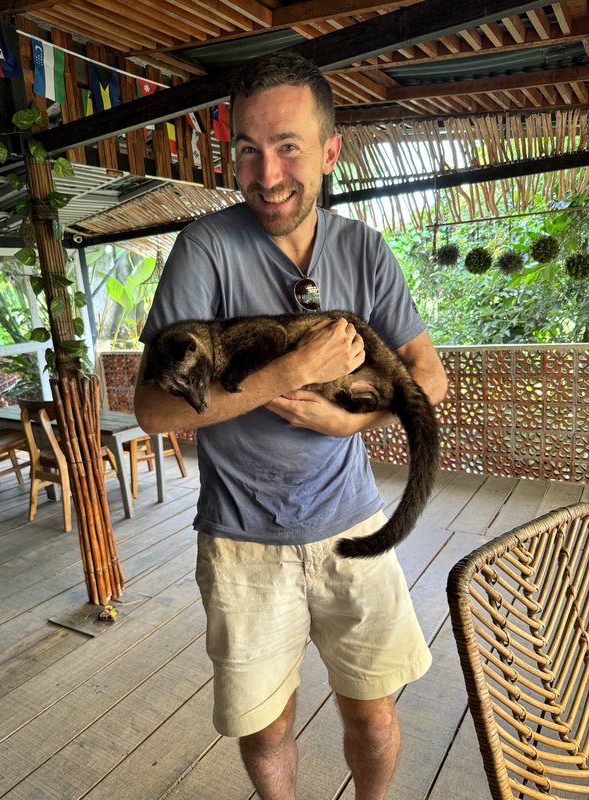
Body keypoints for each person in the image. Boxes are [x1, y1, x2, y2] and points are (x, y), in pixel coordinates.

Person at [134, 50, 448, 800]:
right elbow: (153, 408)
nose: (266, 173)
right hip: (242, 540)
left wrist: (349, 422)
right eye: (248, 149)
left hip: (352, 521)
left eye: (287, 147)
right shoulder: (206, 248)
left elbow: (429, 377)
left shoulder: (363, 249)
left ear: (330, 152)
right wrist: (286, 374)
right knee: (268, 727)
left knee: (372, 714)